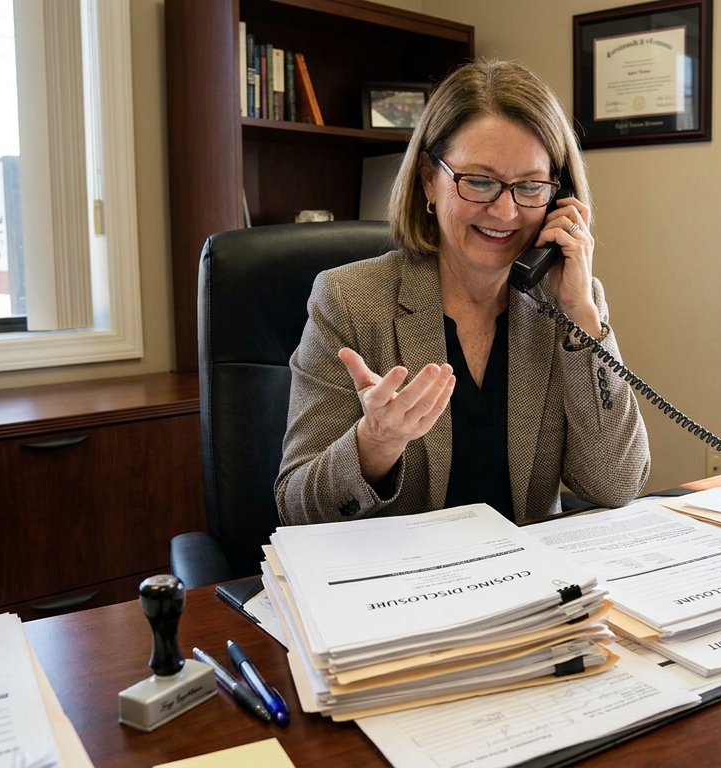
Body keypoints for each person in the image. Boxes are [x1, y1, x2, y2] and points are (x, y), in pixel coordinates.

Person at [275, 58, 650, 526]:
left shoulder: (570, 302)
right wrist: (375, 443)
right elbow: (296, 509)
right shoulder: (349, 300)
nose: (506, 211)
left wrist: (581, 317)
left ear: (560, 197)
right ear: (429, 181)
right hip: (402, 585)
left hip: (531, 585)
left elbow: (615, 485)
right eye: (479, 181)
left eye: (531, 187)